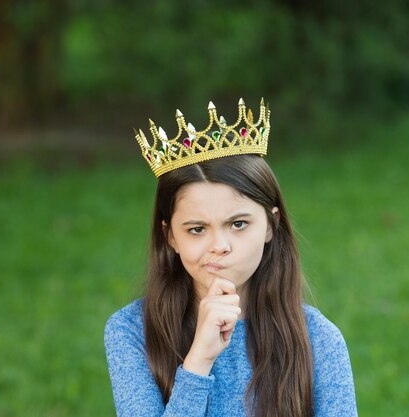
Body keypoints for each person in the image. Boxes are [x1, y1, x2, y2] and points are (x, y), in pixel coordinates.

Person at [104, 99, 357, 416]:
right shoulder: (132, 331)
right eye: (197, 229)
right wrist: (198, 361)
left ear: (271, 225)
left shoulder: (318, 340)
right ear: (171, 237)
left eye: (238, 224)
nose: (219, 245)